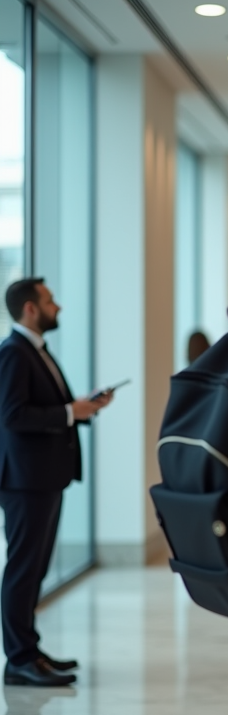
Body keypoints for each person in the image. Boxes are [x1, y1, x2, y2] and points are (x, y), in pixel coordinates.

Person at [0, 279, 112, 687]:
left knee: (35, 568)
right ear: (31, 308)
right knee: (24, 568)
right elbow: (13, 416)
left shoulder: (33, 351)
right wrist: (70, 411)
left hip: (43, 477)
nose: (58, 307)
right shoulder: (13, 353)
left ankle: (29, 651)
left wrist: (83, 406)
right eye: (50, 301)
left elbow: (44, 408)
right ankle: (19, 659)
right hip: (25, 480)